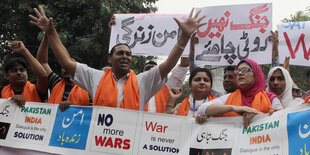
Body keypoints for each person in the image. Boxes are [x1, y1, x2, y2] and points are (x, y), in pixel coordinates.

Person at [29, 6, 206, 110]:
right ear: (110, 59)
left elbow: (167, 66)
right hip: (98, 143)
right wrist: (51, 32)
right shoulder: (96, 77)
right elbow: (66, 62)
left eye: (128, 54)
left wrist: (183, 38)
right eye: (120, 53)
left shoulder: (142, 81)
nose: (125, 56)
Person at [197, 59, 283, 127]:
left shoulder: (271, 98)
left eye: (245, 70)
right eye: (237, 72)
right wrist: (233, 108)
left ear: (256, 74)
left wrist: (260, 116)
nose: (240, 73)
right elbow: (202, 109)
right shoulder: (230, 97)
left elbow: (281, 123)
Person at [36, 34, 91, 111]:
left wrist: (73, 107)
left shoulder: (88, 88)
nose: (66, 69)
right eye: (64, 66)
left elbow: (93, 112)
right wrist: (46, 36)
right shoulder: (55, 82)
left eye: (70, 66)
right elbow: (42, 63)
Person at [1, 41, 48, 106]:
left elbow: (43, 77)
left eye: (22, 70)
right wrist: (11, 100)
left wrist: (24, 51)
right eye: (14, 71)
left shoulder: (36, 89)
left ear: (26, 73)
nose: (19, 73)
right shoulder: (2, 92)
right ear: (7, 76)